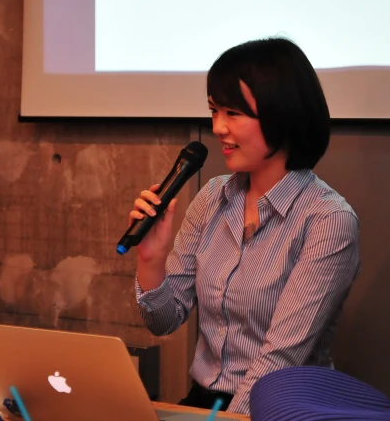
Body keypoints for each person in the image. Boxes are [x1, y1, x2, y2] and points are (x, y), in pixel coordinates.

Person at [129, 37, 360, 414]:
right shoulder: (211, 197)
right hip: (205, 404)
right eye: (214, 110)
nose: (218, 127)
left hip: (280, 408)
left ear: (282, 114)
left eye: (233, 113)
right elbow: (164, 321)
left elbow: (279, 358)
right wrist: (151, 261)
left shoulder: (328, 220)